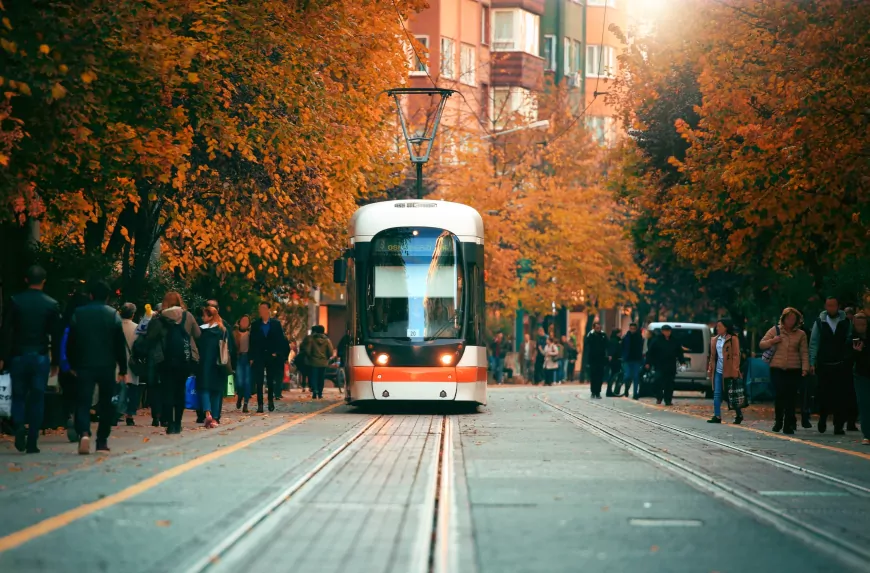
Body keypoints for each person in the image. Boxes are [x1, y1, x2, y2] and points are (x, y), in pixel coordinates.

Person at [0, 265, 62, 454]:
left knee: (18, 394)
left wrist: (3, 356)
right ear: (44, 281)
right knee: (37, 397)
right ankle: (33, 439)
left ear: (26, 280)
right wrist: (56, 361)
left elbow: (6, 331)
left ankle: (19, 425)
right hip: (40, 355)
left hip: (18, 355)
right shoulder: (51, 304)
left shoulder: (15, 301)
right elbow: (56, 335)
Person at [67, 280, 128, 454]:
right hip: (107, 365)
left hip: (84, 364)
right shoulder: (113, 315)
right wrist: (122, 368)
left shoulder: (78, 314)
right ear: (107, 297)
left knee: (83, 401)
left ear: (90, 295)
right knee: (107, 403)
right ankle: (102, 440)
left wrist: (71, 363)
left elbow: (71, 342)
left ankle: (84, 432)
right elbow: (119, 344)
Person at [145, 292, 201, 435]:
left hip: (165, 360)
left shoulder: (159, 317)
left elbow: (150, 336)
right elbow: (198, 333)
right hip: (184, 359)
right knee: (180, 391)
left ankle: (169, 423)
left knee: (167, 391)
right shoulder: (187, 316)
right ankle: (178, 423)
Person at [760, 308, 809, 434]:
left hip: (794, 369)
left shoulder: (801, 334)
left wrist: (805, 368)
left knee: (791, 397)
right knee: (780, 395)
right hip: (777, 368)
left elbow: (804, 352)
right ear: (783, 318)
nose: (790, 321)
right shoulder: (775, 330)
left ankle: (788, 424)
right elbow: (762, 344)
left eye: (793, 319)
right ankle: (778, 421)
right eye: (788, 318)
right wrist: (773, 341)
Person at [809, 297, 853, 434]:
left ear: (838, 306)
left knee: (841, 396)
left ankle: (838, 425)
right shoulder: (820, 322)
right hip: (824, 364)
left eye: (833, 305)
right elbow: (814, 342)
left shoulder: (846, 322)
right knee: (823, 394)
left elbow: (849, 339)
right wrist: (812, 361)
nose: (831, 308)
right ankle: (822, 418)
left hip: (841, 364)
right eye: (828, 305)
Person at [249, 302, 288, 412]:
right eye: (260, 308)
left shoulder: (276, 324)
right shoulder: (256, 324)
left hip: (271, 356)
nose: (262, 310)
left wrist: (277, 353)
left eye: (264, 308)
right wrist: (252, 356)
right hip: (259, 355)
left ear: (269, 310)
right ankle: (260, 404)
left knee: (270, 380)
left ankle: (270, 401)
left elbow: (281, 340)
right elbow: (252, 341)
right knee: (259, 380)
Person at [707, 319, 744, 425]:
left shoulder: (733, 339)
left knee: (731, 394)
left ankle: (739, 414)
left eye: (720, 326)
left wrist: (735, 369)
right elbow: (713, 356)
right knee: (717, 393)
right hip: (718, 370)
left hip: (729, 370)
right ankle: (717, 416)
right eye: (717, 326)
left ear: (726, 327)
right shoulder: (714, 339)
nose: (717, 328)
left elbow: (736, 355)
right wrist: (710, 368)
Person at [198, 306, 229, 428]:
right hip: (219, 363)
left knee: (204, 389)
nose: (202, 318)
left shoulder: (201, 331)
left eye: (204, 315)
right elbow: (228, 347)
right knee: (217, 391)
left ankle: (207, 412)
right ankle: (215, 417)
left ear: (210, 317)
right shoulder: (223, 330)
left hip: (204, 363)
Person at [645, 325, 686, 406]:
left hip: (671, 365)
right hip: (659, 365)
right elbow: (650, 352)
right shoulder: (656, 340)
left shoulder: (674, 340)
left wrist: (682, 361)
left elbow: (679, 352)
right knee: (657, 381)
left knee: (669, 384)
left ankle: (668, 400)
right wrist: (648, 362)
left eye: (668, 331)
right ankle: (659, 396)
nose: (667, 333)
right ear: (662, 331)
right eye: (665, 331)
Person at [849, 312, 869, 445]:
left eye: (863, 324)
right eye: (858, 324)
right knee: (864, 404)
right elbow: (847, 358)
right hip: (861, 374)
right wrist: (856, 352)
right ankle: (867, 434)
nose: (861, 327)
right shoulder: (851, 338)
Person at [119, 303, 141, 426]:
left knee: (117, 388)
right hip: (132, 361)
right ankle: (130, 415)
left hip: (117, 361)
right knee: (132, 389)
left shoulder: (115, 325)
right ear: (133, 314)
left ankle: (115, 412)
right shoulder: (137, 328)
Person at [301, 324, 334, 399]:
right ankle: (320, 393)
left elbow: (308, 350)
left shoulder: (312, 339)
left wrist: (310, 357)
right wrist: (326, 357)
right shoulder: (327, 340)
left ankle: (315, 390)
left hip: (313, 362)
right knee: (321, 378)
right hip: (323, 362)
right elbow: (331, 352)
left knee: (314, 377)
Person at [233, 315, 252, 412]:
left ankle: (246, 403)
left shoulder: (250, 334)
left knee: (247, 382)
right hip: (239, 358)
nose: (244, 322)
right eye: (243, 320)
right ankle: (240, 396)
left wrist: (252, 358)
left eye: (246, 321)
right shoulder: (235, 333)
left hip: (248, 358)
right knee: (239, 382)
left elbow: (254, 346)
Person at [621, 323, 644, 399]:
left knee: (636, 377)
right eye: (631, 328)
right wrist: (623, 356)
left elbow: (641, 348)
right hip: (628, 360)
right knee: (627, 376)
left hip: (636, 359)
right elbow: (622, 347)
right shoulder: (626, 337)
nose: (632, 330)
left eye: (634, 329)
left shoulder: (639, 337)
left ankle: (635, 393)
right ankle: (626, 388)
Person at [585, 323, 608, 399]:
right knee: (593, 376)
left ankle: (598, 392)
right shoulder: (590, 335)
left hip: (601, 359)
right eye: (597, 328)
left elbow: (607, 345)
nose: (598, 329)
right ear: (594, 328)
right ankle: (593, 392)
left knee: (600, 376)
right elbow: (587, 346)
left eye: (599, 327)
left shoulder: (603, 335)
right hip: (593, 359)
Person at [606, 329, 623, 397]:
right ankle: (610, 391)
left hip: (615, 360)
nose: (621, 334)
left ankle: (611, 390)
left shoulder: (615, 340)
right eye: (620, 333)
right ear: (617, 333)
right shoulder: (615, 341)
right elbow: (613, 350)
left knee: (613, 375)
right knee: (614, 375)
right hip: (615, 360)